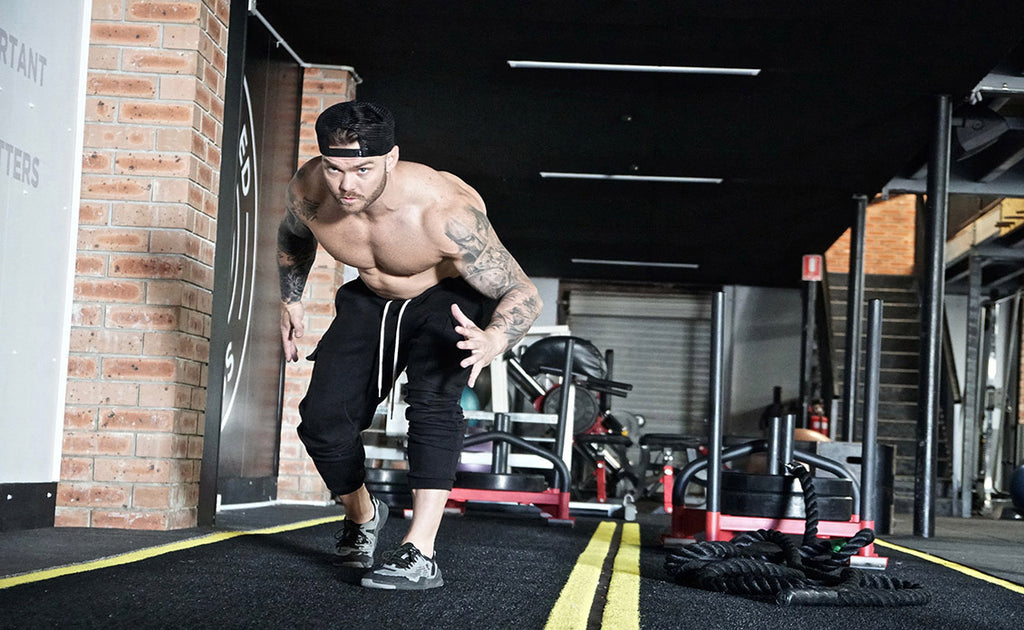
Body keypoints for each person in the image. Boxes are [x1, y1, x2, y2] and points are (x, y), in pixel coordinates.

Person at [277, 101, 542, 590]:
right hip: (370, 299)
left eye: (362, 169)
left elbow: (522, 291)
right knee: (321, 421)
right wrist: (290, 299)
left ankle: (420, 551)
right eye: (335, 168)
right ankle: (363, 514)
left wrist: (494, 339)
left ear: (391, 158)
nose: (346, 185)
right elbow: (295, 234)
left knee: (433, 409)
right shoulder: (310, 188)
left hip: (444, 300)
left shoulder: (444, 213)